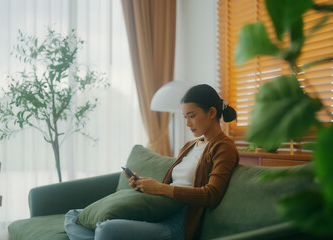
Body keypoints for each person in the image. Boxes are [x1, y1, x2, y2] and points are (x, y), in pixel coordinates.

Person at [64, 84, 239, 240]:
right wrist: (144, 186)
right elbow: (171, 185)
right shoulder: (191, 145)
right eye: (185, 117)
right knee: (73, 216)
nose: (187, 124)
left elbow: (211, 195)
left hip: (178, 223)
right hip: (162, 210)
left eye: (191, 116)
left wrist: (159, 188)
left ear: (212, 112)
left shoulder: (224, 147)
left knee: (105, 229)